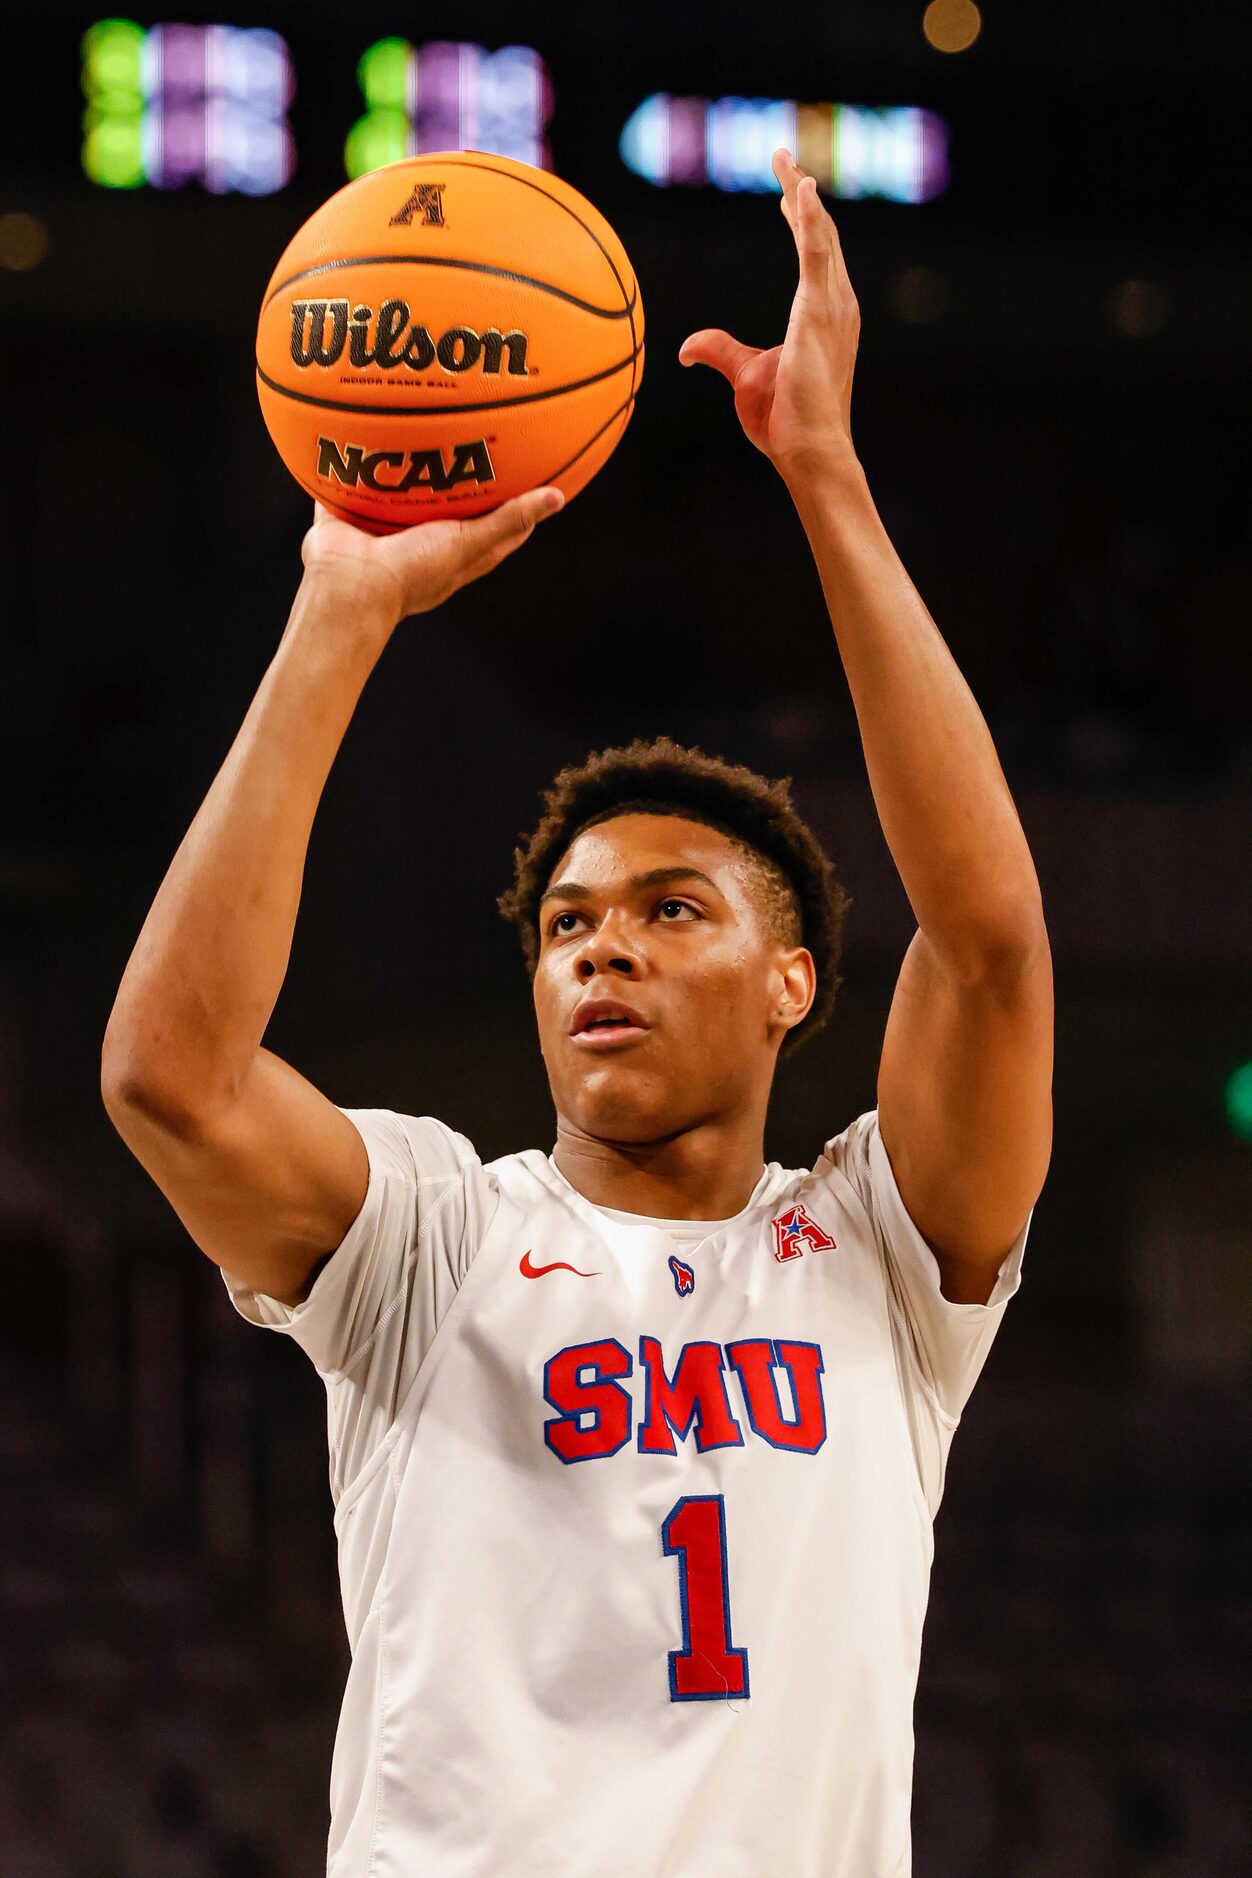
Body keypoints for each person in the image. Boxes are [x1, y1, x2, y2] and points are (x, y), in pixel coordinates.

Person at [102, 150, 1053, 1877]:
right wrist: (339, 611)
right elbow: (170, 1078)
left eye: (668, 911)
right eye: (566, 926)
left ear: (794, 986)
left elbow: (987, 942)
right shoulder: (433, 1238)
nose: (598, 951)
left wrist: (827, 480)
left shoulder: (882, 1262)